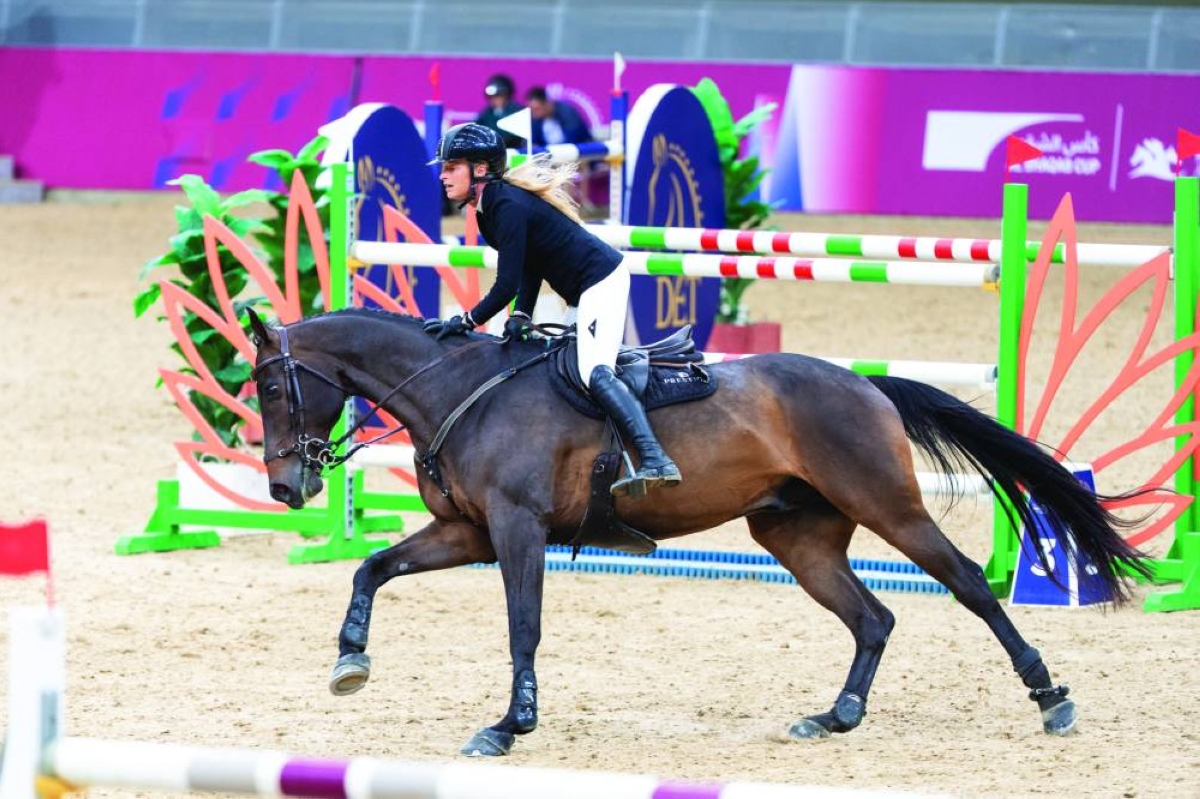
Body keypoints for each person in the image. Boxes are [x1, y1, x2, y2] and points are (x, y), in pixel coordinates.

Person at [428, 122, 681, 498]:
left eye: (451, 167)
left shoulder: (506, 206)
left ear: (480, 169)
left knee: (593, 372)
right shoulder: (488, 210)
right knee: (562, 371)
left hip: (601, 282)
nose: (443, 176)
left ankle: (655, 458)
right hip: (582, 292)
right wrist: (521, 315)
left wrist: (467, 320)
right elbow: (530, 266)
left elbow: (505, 285)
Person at [525, 86, 592, 147]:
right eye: (531, 109)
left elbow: (572, 140)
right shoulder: (535, 120)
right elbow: (533, 142)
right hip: (551, 154)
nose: (533, 113)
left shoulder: (567, 113)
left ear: (548, 104)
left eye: (536, 109)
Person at [474, 73, 526, 149]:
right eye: (491, 97)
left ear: (507, 95)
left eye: (498, 95)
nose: (494, 99)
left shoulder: (519, 112)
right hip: (492, 151)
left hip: (515, 151)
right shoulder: (486, 114)